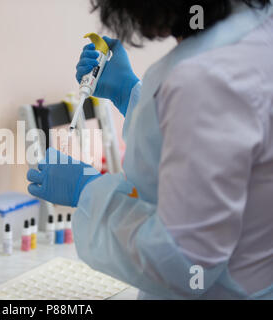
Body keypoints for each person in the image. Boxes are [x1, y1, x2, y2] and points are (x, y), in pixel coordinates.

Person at [27, 0, 273, 299]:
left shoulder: (205, 78)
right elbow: (206, 151)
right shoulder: (257, 31)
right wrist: (131, 94)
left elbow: (181, 261)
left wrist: (88, 191)